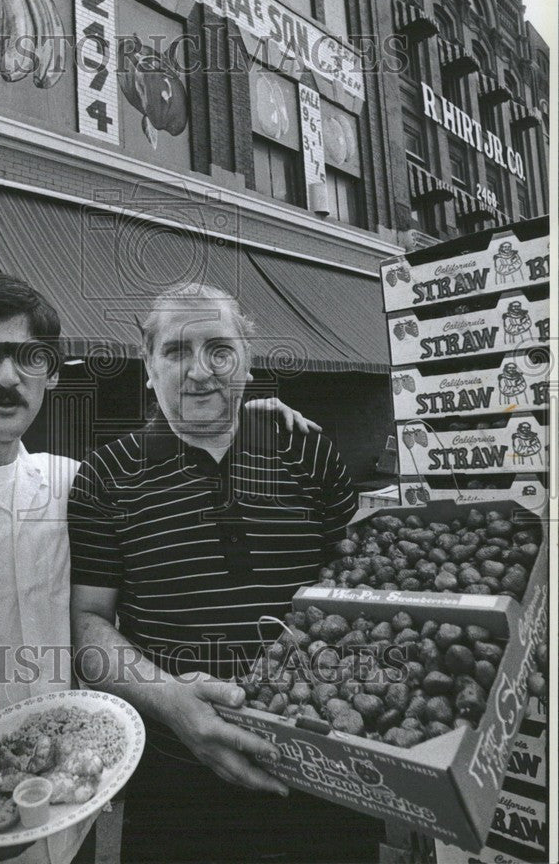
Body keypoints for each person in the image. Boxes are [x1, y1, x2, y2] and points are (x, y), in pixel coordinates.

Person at [0, 273, 315, 864]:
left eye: (31, 358)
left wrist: (241, 419)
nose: (9, 376)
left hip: (70, 838)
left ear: (53, 376)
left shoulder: (73, 486)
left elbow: (167, 453)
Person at [68, 283, 386, 864]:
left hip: (332, 781)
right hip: (178, 799)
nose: (199, 372)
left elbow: (369, 588)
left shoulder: (307, 450)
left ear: (248, 356)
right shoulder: (104, 476)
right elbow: (86, 626)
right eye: (175, 351)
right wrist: (168, 700)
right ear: (148, 367)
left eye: (219, 348)